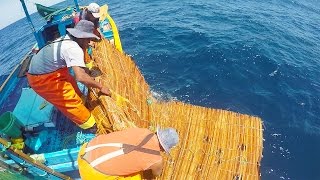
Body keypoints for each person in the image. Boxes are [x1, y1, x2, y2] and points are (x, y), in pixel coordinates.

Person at [27, 20, 111, 130]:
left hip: (53, 70)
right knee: (69, 101)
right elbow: (80, 77)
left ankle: (82, 100)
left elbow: (80, 69)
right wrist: (101, 87)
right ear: (81, 37)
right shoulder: (73, 48)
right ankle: (91, 125)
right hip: (41, 79)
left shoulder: (67, 38)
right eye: (88, 39)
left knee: (71, 81)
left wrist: (88, 74)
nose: (90, 43)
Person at [78, 127, 179, 179]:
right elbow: (157, 174)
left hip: (85, 150)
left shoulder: (144, 131)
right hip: (91, 175)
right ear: (164, 148)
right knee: (137, 176)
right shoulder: (156, 160)